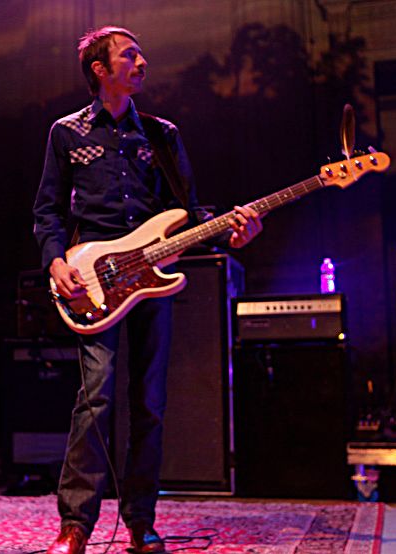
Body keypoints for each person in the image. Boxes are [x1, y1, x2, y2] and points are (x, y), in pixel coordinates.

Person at [33, 26, 262, 554]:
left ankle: (140, 521)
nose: (142, 62)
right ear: (100, 69)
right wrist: (56, 261)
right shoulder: (66, 132)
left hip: (152, 282)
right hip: (93, 279)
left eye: (141, 54)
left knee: (150, 403)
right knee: (95, 396)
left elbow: (191, 212)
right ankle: (75, 525)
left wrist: (232, 231)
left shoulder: (162, 134)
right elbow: (47, 211)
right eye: (129, 55)